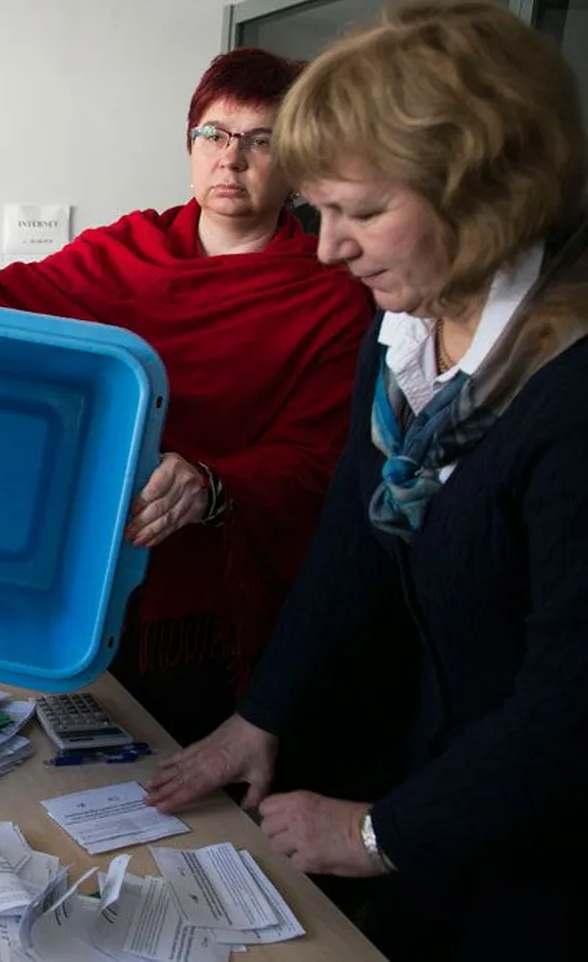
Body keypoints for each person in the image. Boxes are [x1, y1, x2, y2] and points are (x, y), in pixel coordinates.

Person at [145, 4, 588, 958]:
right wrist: (262, 714)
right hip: (438, 778)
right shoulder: (406, 331)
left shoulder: (572, 388)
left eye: (364, 211)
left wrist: (378, 833)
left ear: (487, 193)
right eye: (321, 209)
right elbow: (359, 523)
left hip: (548, 848)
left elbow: (572, 707)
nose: (326, 248)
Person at [0, 48, 374, 745]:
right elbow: (21, 292)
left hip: (204, 604)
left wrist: (212, 484)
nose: (231, 160)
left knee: (177, 775)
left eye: (261, 141)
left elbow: (322, 459)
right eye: (214, 134)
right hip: (80, 566)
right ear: (190, 142)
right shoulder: (131, 246)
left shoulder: (329, 297)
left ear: (297, 160)